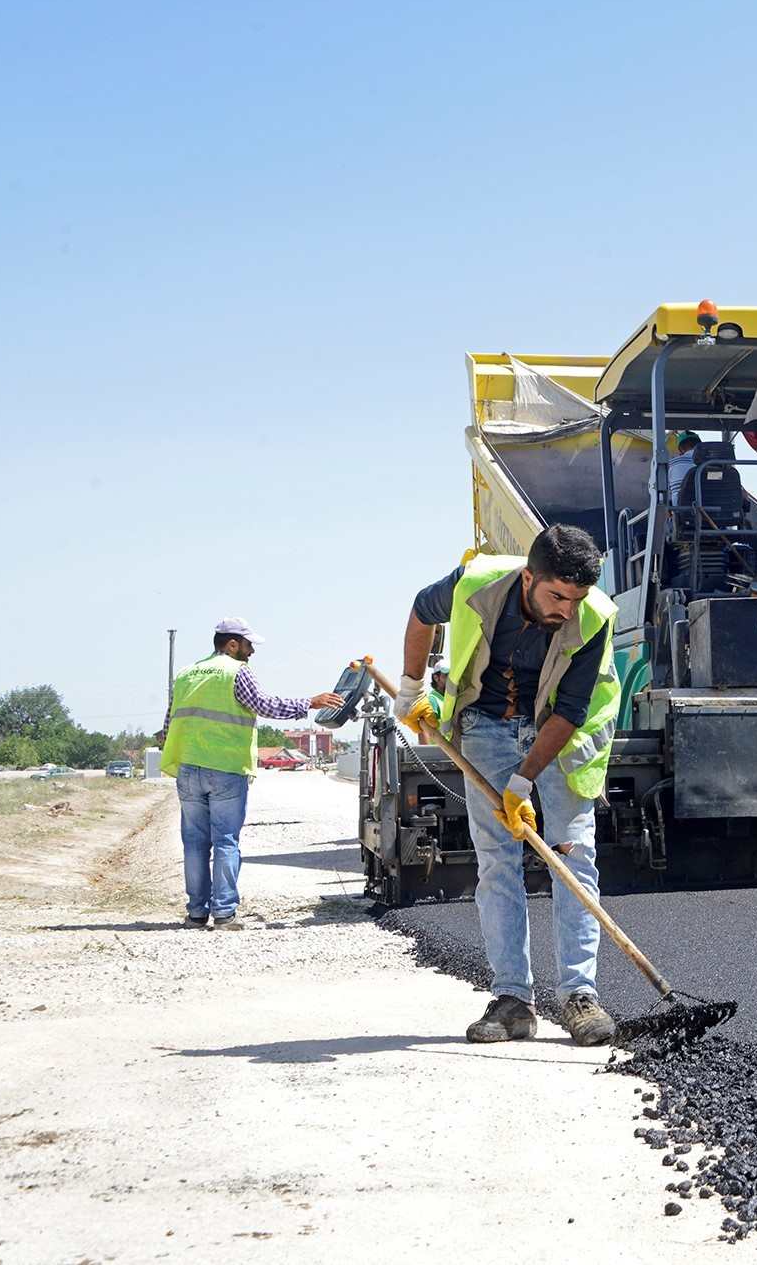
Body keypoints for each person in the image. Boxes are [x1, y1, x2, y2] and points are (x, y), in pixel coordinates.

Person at [394, 524, 622, 1046]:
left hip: (563, 733)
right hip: (487, 724)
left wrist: (523, 782)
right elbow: (420, 611)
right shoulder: (473, 583)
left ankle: (579, 997)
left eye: (576, 598)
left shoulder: (595, 616)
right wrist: (410, 689)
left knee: (571, 855)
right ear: (528, 578)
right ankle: (513, 1000)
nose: (566, 609)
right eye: (556, 596)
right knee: (498, 858)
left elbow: (569, 710)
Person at [159, 619, 345, 929]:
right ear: (232, 645)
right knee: (225, 841)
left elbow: (169, 725)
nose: (252, 651)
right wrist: (308, 703)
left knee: (193, 843)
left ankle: (195, 912)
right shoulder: (236, 671)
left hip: (188, 768)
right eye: (248, 645)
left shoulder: (186, 674)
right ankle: (223, 913)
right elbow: (263, 704)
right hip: (225, 768)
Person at [667, 431, 703, 502]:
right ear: (699, 446)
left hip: (681, 509)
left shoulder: (673, 463)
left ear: (681, 449)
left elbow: (663, 493)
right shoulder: (712, 463)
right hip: (714, 507)